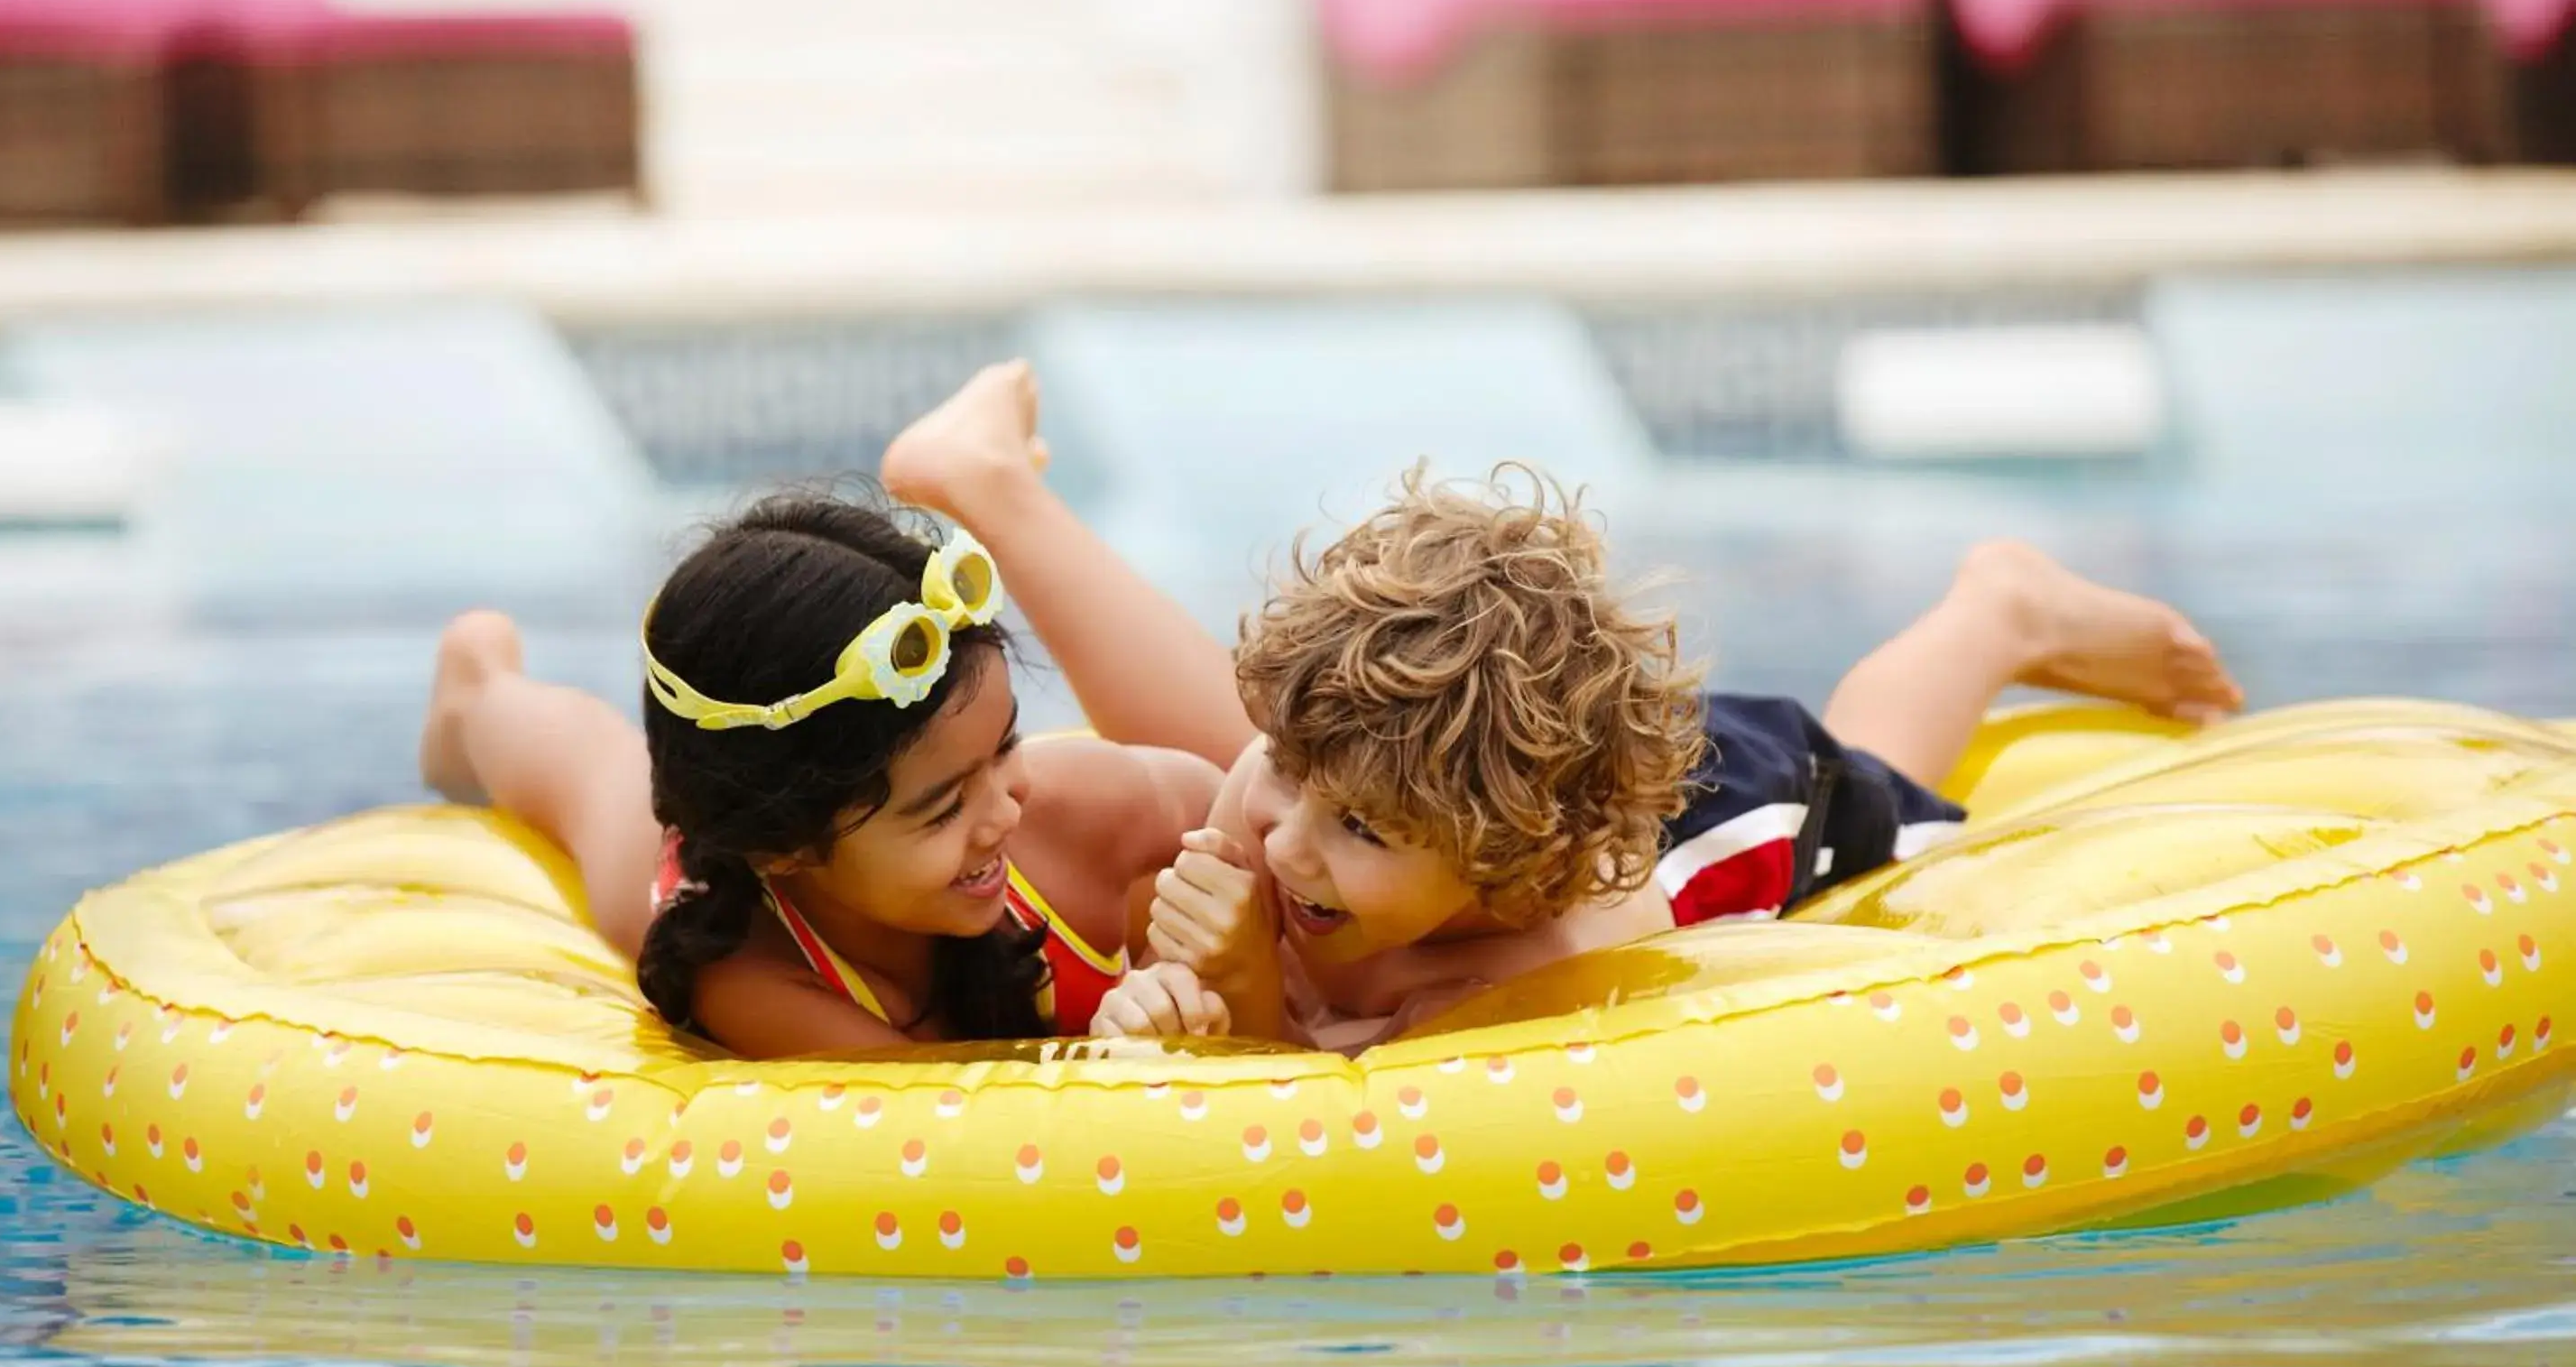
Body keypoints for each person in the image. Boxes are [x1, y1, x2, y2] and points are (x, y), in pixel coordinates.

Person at [882, 361, 2245, 1050]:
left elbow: (1338, 1094)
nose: (1283, 839)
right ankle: (990, 486)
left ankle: (2002, 608)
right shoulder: (1322, 807)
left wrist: (1242, 990)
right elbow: (1298, 803)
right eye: (1289, 768)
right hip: (1504, 756)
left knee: (1876, 759)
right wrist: (1260, 870)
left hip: (1754, 796)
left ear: (1501, 871)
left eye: (1360, 833)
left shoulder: (1542, 958)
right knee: (1260, 764)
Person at [417, 491, 1221, 1058]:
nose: (1003, 812)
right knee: (596, 769)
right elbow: (956, 1121)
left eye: (1004, 745)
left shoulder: (1082, 804)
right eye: (943, 810)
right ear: (789, 849)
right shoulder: (750, 976)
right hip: (721, 876)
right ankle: (474, 686)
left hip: (799, 803)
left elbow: (1251, 794)